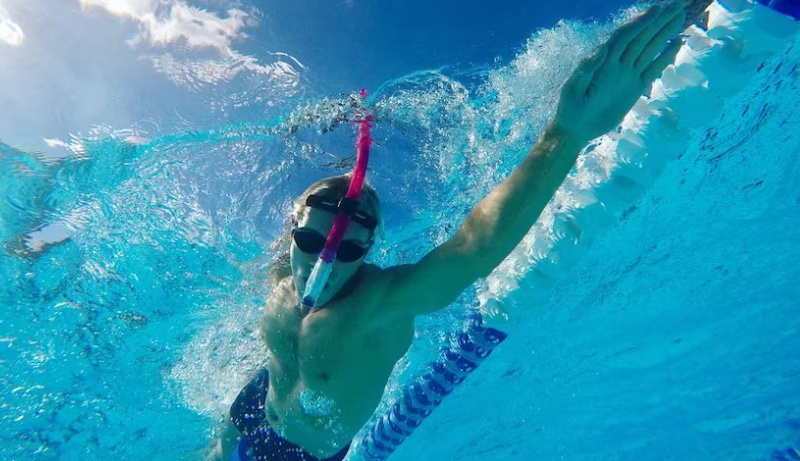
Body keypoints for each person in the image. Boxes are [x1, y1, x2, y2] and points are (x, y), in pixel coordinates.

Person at [208, 3, 688, 460]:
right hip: (253, 408)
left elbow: (474, 247)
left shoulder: (380, 304)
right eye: (311, 241)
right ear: (292, 233)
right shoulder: (280, 278)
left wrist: (566, 133)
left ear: (370, 249)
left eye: (349, 247)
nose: (325, 261)